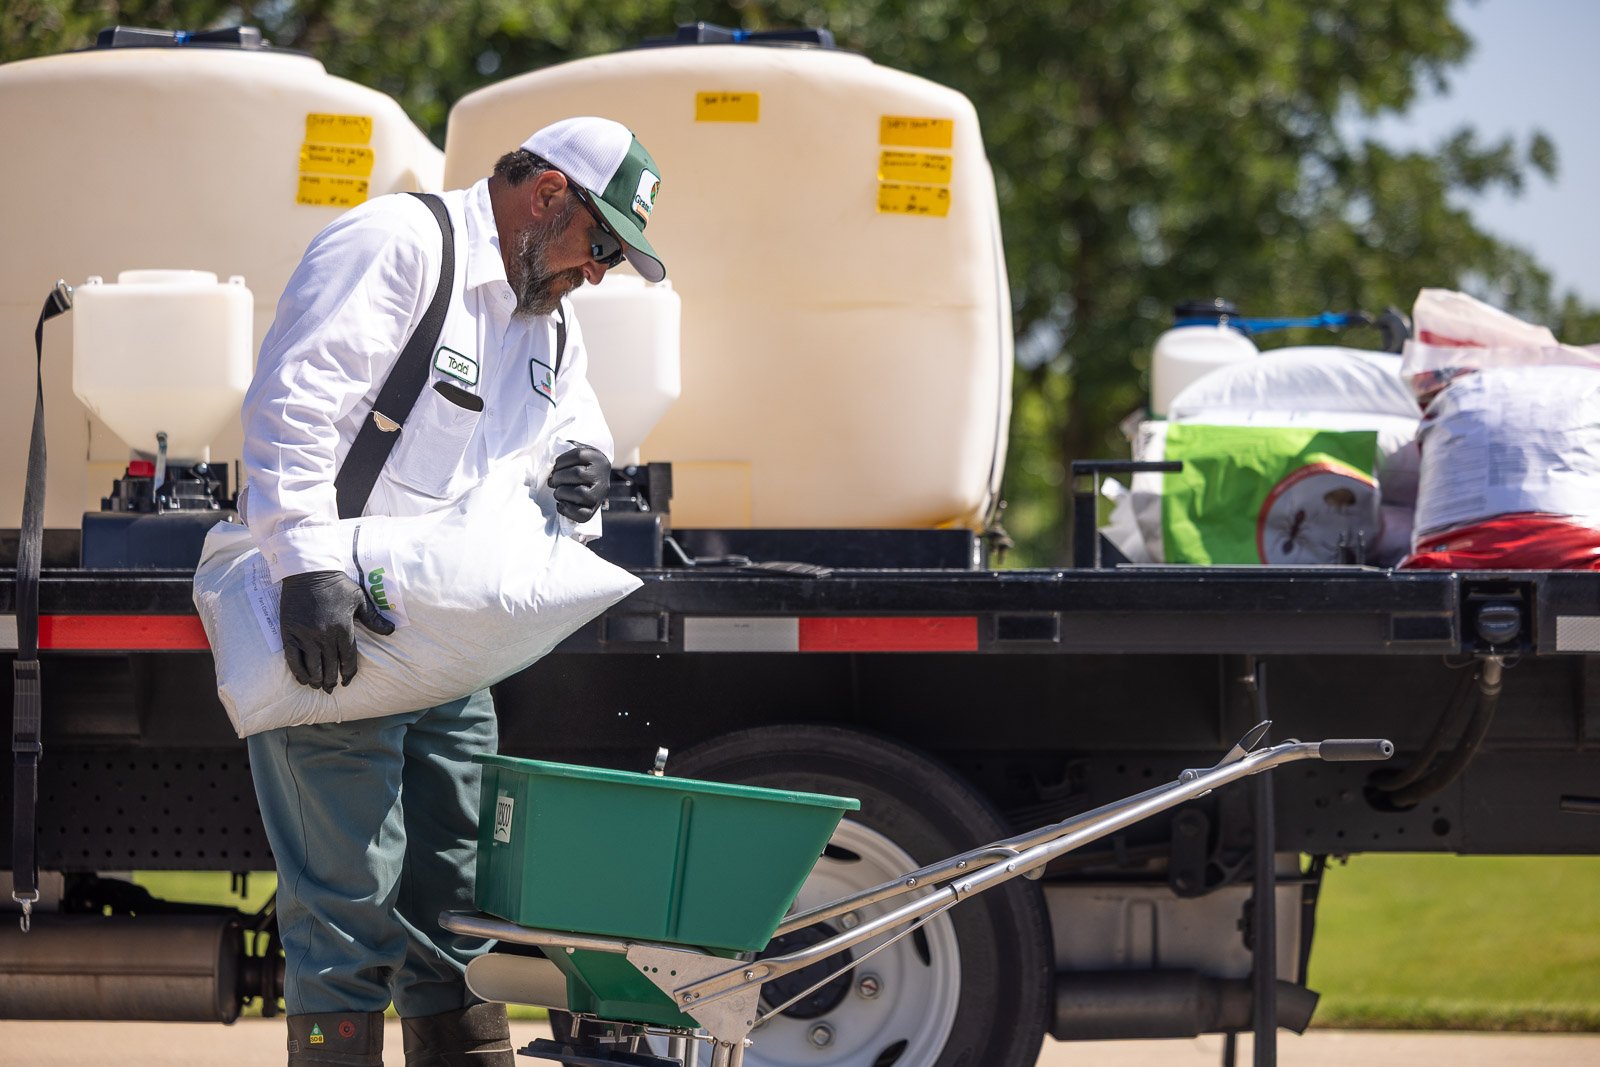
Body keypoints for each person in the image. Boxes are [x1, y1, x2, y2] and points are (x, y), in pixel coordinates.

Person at [238, 116, 666, 1066]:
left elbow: (570, 427)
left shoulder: (545, 320)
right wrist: (306, 568)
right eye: (600, 244)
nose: (598, 272)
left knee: (459, 899)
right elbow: (290, 404)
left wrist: (584, 466)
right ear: (547, 193)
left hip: (444, 647)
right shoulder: (396, 244)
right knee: (350, 900)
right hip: (339, 627)